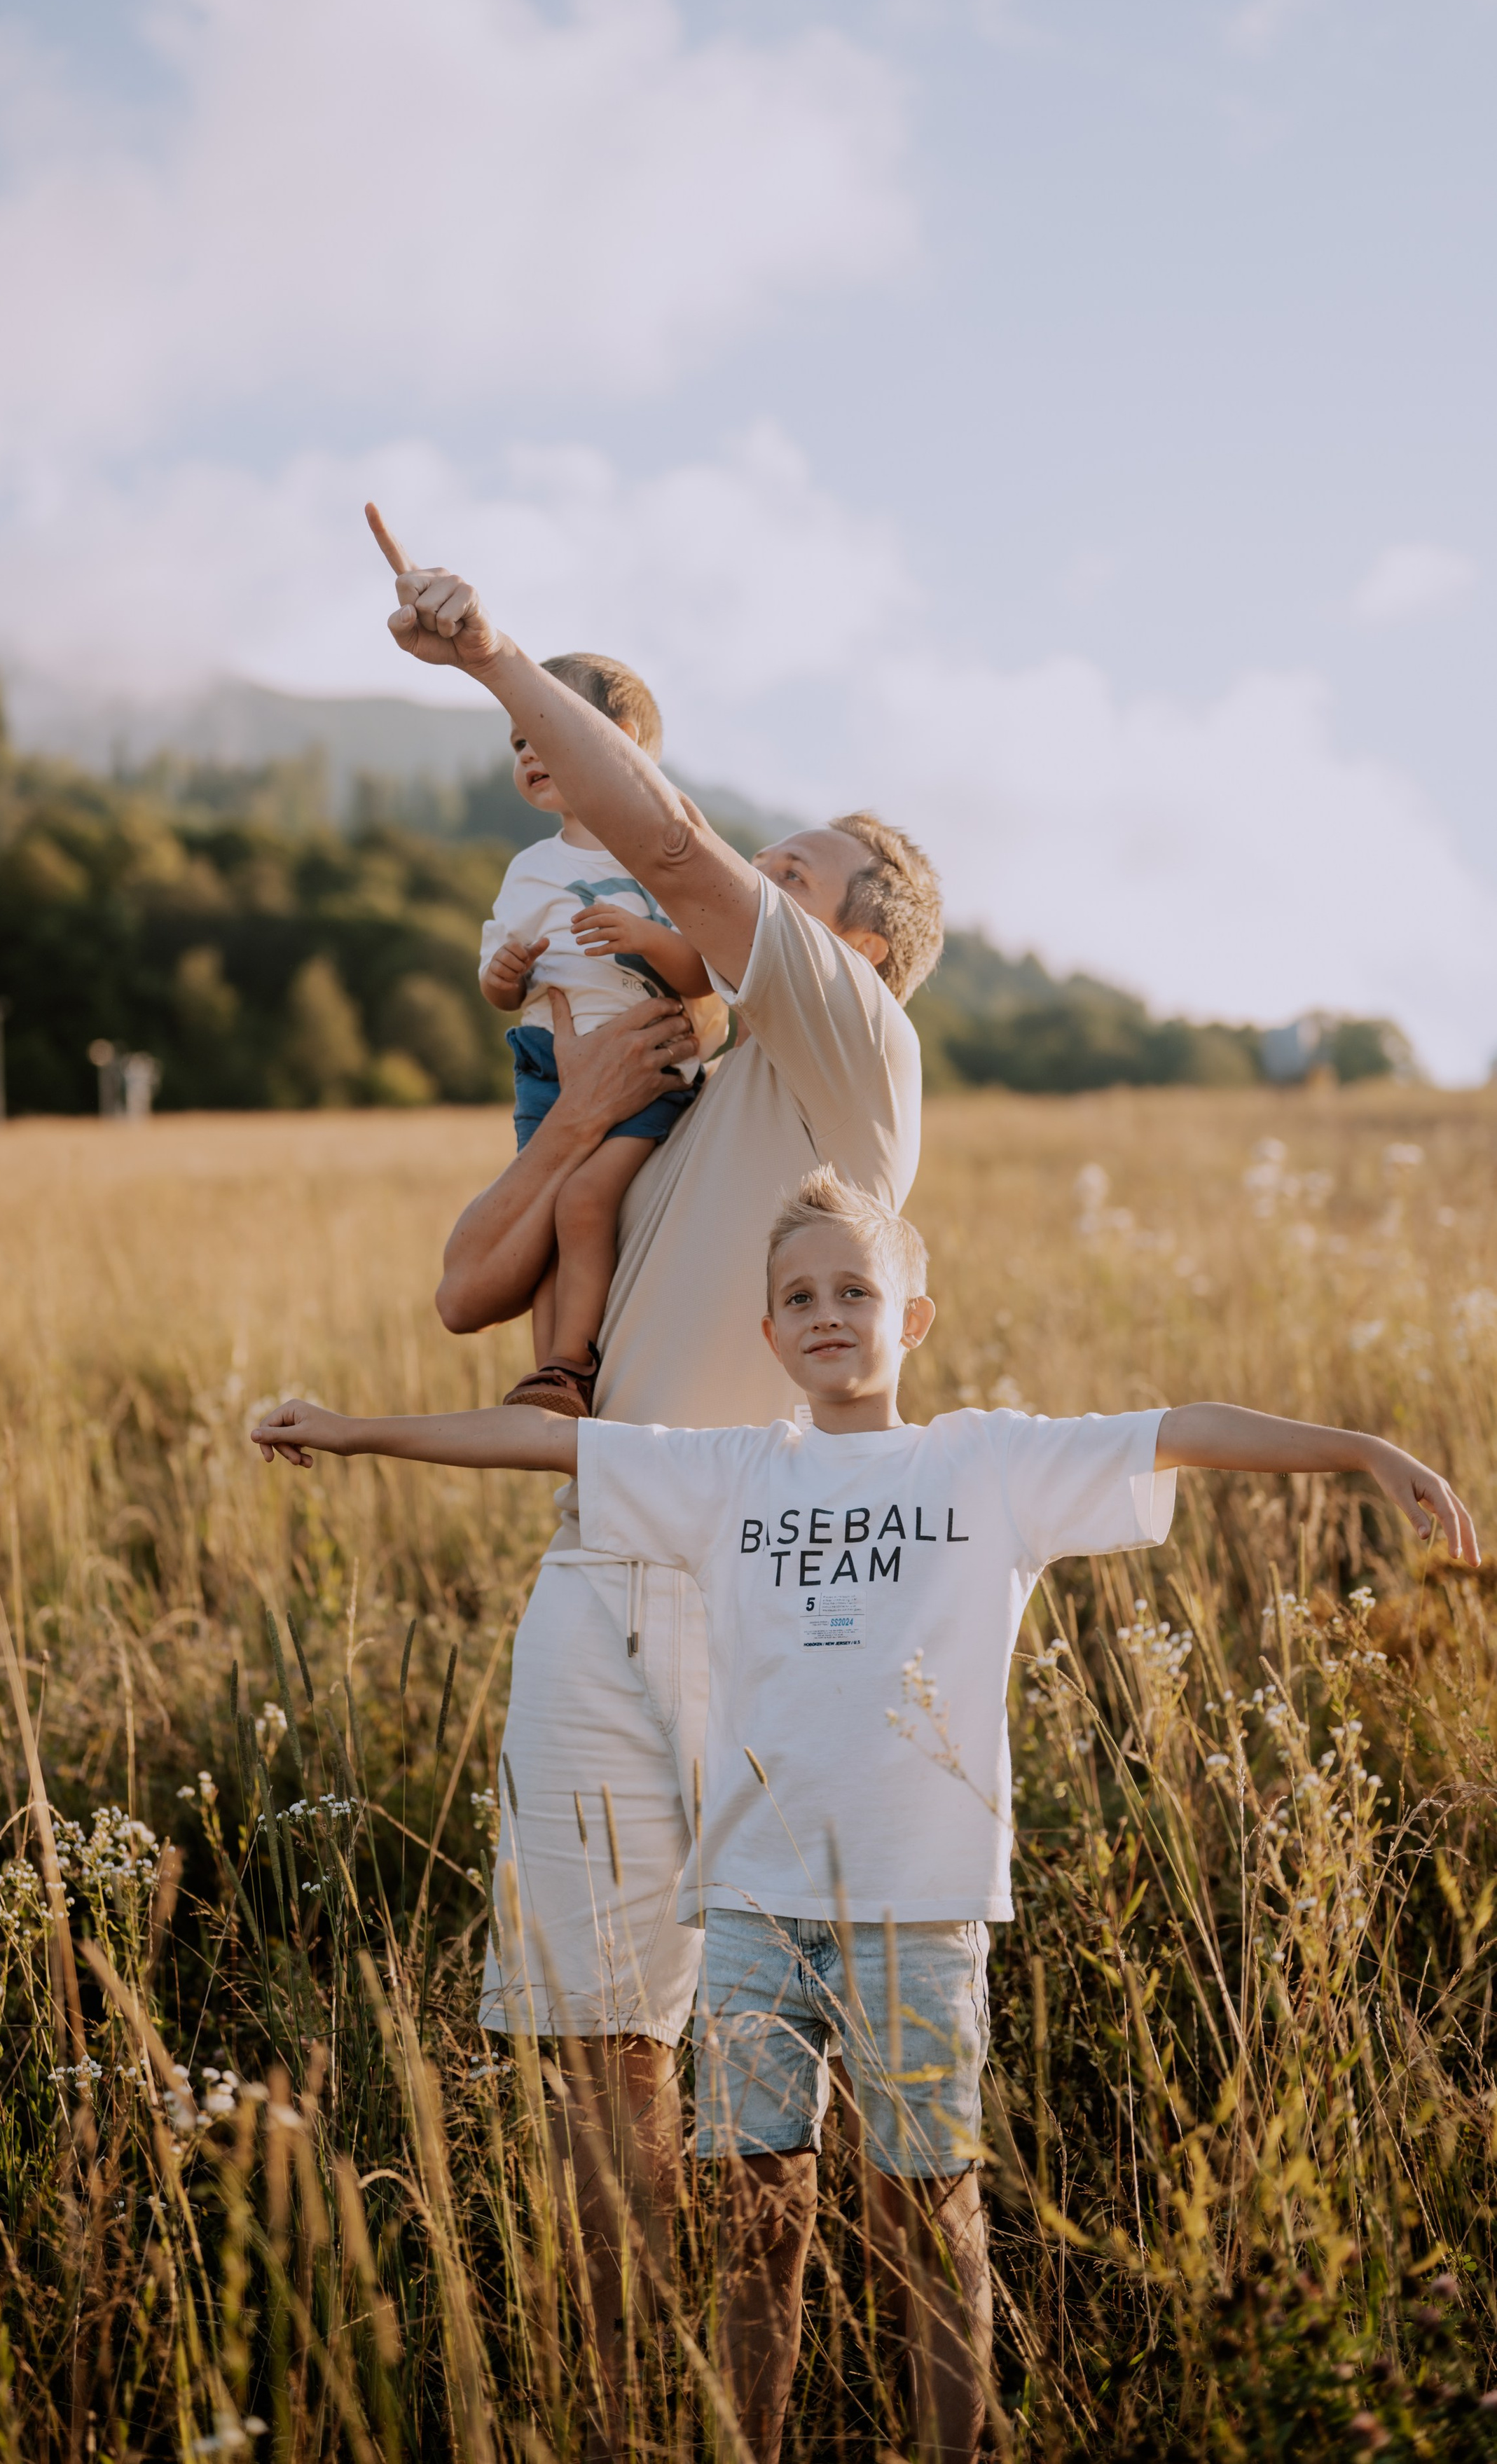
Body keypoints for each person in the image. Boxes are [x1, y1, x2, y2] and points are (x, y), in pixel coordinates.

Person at [250, 1163, 1478, 2464]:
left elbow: (1181, 1427)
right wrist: (346, 1428)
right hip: (752, 1917)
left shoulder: (990, 1461)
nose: (827, 1311)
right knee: (755, 2229)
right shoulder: (730, 1474)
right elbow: (546, 1441)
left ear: (914, 1317)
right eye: (798, 1295)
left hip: (920, 1912)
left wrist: (1362, 1449)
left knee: (932, 2217)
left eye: (855, 1287)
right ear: (768, 1335)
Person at [361, 502, 941, 2445]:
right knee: (600, 2059)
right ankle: (637, 2416)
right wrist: (583, 1113)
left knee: (758, 2061)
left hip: (760, 1584)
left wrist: (495, 659)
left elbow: (672, 844)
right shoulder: (677, 1088)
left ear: (852, 943)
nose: (741, 864)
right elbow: (466, 1291)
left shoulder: (848, 1055)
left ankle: (757, 2419)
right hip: (592, 1575)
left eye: (798, 871)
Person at [476, 650, 724, 1416]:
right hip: (546, 1071)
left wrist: (645, 939)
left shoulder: (665, 855)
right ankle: (549, 1381)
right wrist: (507, 972)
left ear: (610, 739)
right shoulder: (529, 868)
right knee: (546, 1215)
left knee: (583, 1198)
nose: (526, 754)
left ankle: (572, 1361)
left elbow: (703, 975)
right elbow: (494, 984)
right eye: (516, 743)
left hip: (643, 1065)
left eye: (542, 733)